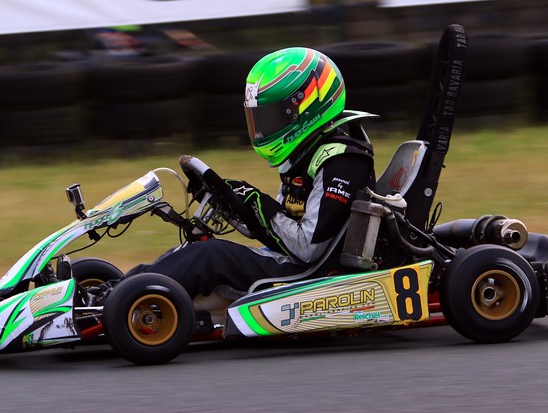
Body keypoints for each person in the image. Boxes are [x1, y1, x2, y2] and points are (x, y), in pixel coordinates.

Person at [114, 46, 377, 300]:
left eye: (274, 117)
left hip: (314, 276)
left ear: (306, 106)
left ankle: (129, 297)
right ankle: (118, 290)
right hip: (298, 262)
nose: (263, 128)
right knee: (199, 248)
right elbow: (279, 233)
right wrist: (238, 207)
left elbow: (307, 248)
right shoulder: (304, 155)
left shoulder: (342, 161)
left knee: (212, 255)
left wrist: (256, 204)